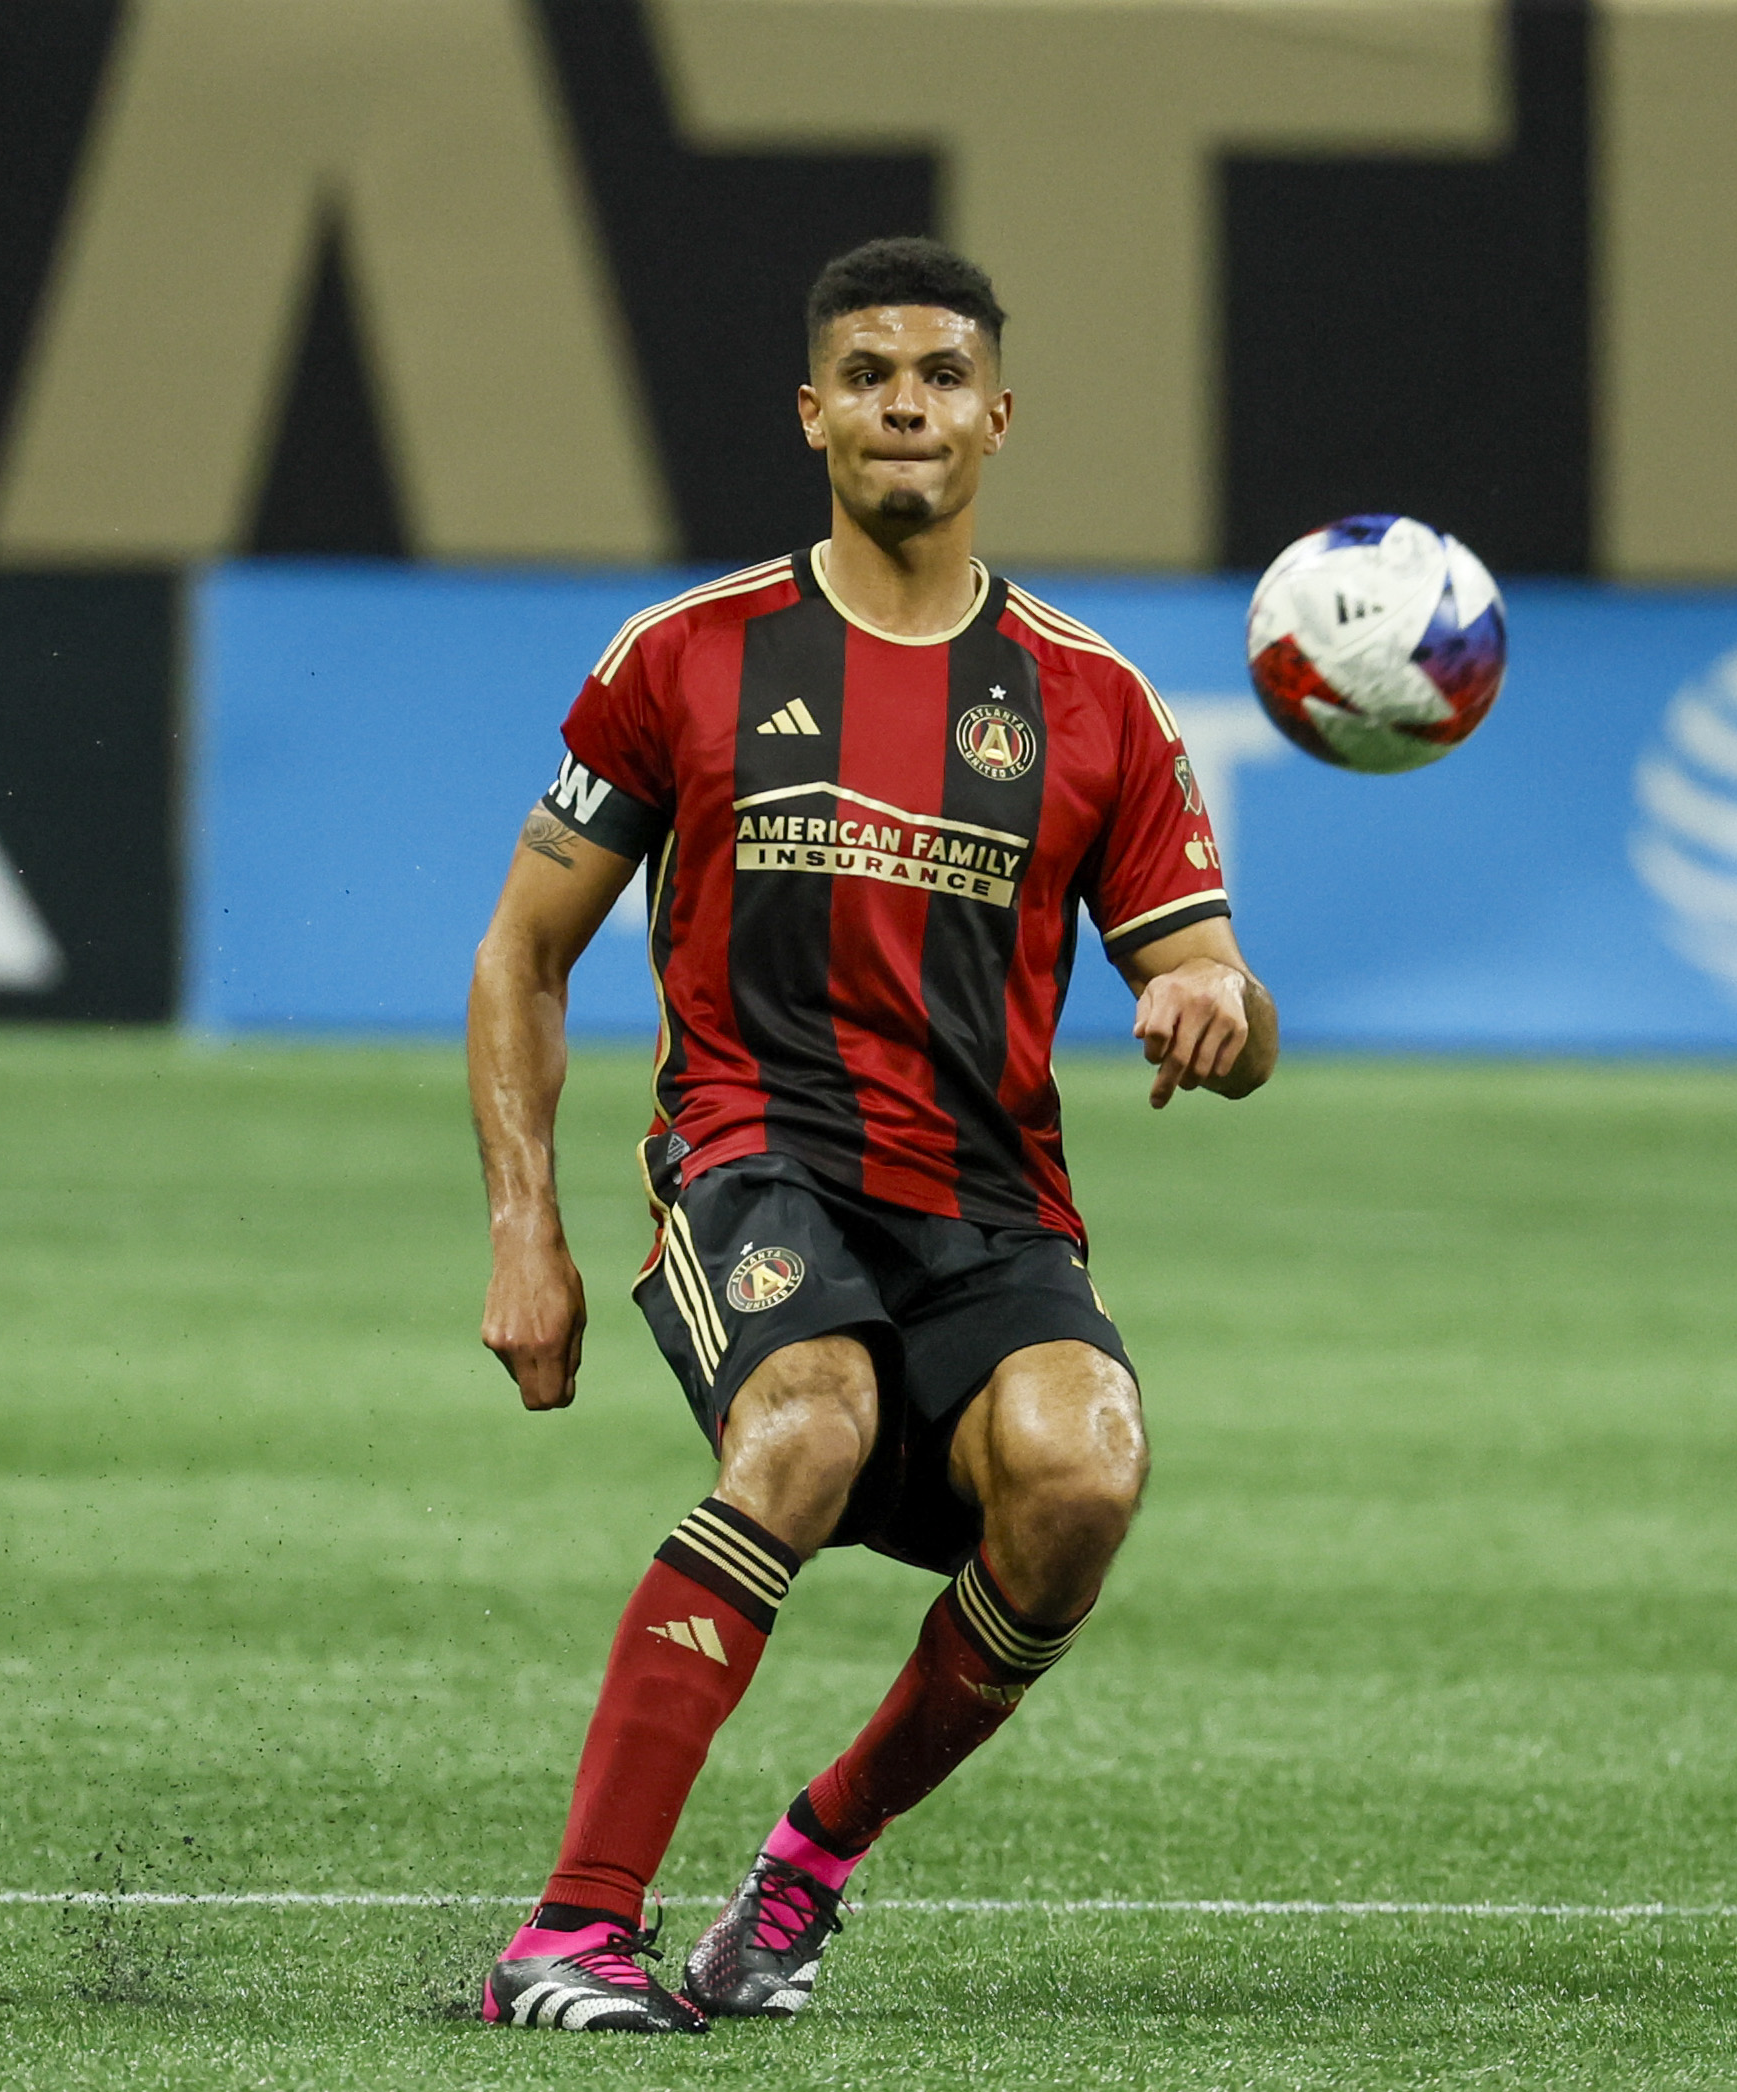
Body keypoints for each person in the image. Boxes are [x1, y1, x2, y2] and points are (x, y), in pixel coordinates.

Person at [462, 236, 1276, 2036]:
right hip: (752, 1160)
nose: (903, 397)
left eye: (938, 371)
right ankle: (570, 1935)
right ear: (812, 408)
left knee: (1085, 1471)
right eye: (868, 369)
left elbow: (1222, 985)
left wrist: (1216, 1016)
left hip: (989, 1208)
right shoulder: (684, 659)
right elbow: (524, 953)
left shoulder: (1096, 701)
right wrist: (526, 1225)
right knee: (809, 1420)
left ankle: (802, 1870)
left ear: (997, 414)